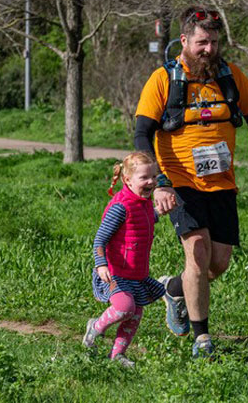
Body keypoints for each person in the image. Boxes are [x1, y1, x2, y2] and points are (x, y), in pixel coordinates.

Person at [134, 5, 248, 358]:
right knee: (197, 252)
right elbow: (141, 134)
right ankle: (203, 340)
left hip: (222, 184)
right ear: (184, 41)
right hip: (180, 181)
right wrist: (159, 183)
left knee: (218, 263)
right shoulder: (163, 79)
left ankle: (174, 289)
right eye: (201, 42)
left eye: (213, 42)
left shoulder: (229, 76)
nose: (208, 49)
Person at [82, 152, 165, 368]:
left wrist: (159, 211)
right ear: (127, 180)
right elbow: (100, 239)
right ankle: (95, 327)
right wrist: (101, 264)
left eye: (154, 177)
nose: (151, 182)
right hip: (115, 272)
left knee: (135, 315)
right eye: (144, 178)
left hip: (136, 274)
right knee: (125, 307)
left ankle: (117, 355)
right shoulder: (120, 206)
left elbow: (141, 221)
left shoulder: (143, 203)